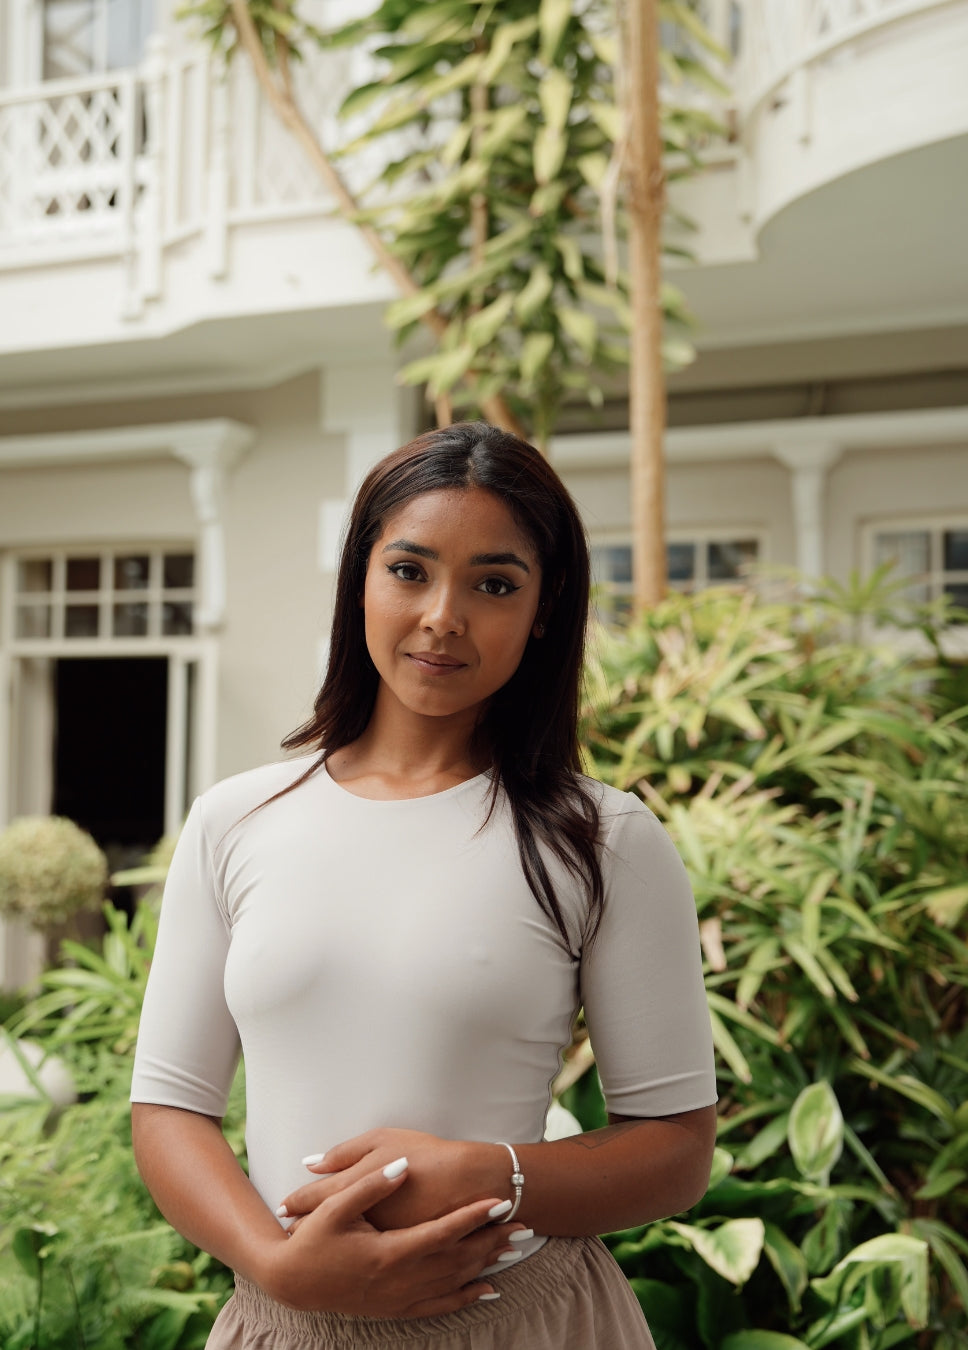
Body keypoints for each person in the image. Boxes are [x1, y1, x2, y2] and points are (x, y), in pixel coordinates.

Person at [130, 421, 717, 1349]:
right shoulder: (235, 820)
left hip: (521, 1320)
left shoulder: (602, 839)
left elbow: (677, 1149)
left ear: (544, 604)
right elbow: (168, 1108)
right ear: (360, 576)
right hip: (285, 1324)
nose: (444, 615)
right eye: (409, 571)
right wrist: (278, 1263)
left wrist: (489, 1173)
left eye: (493, 584)